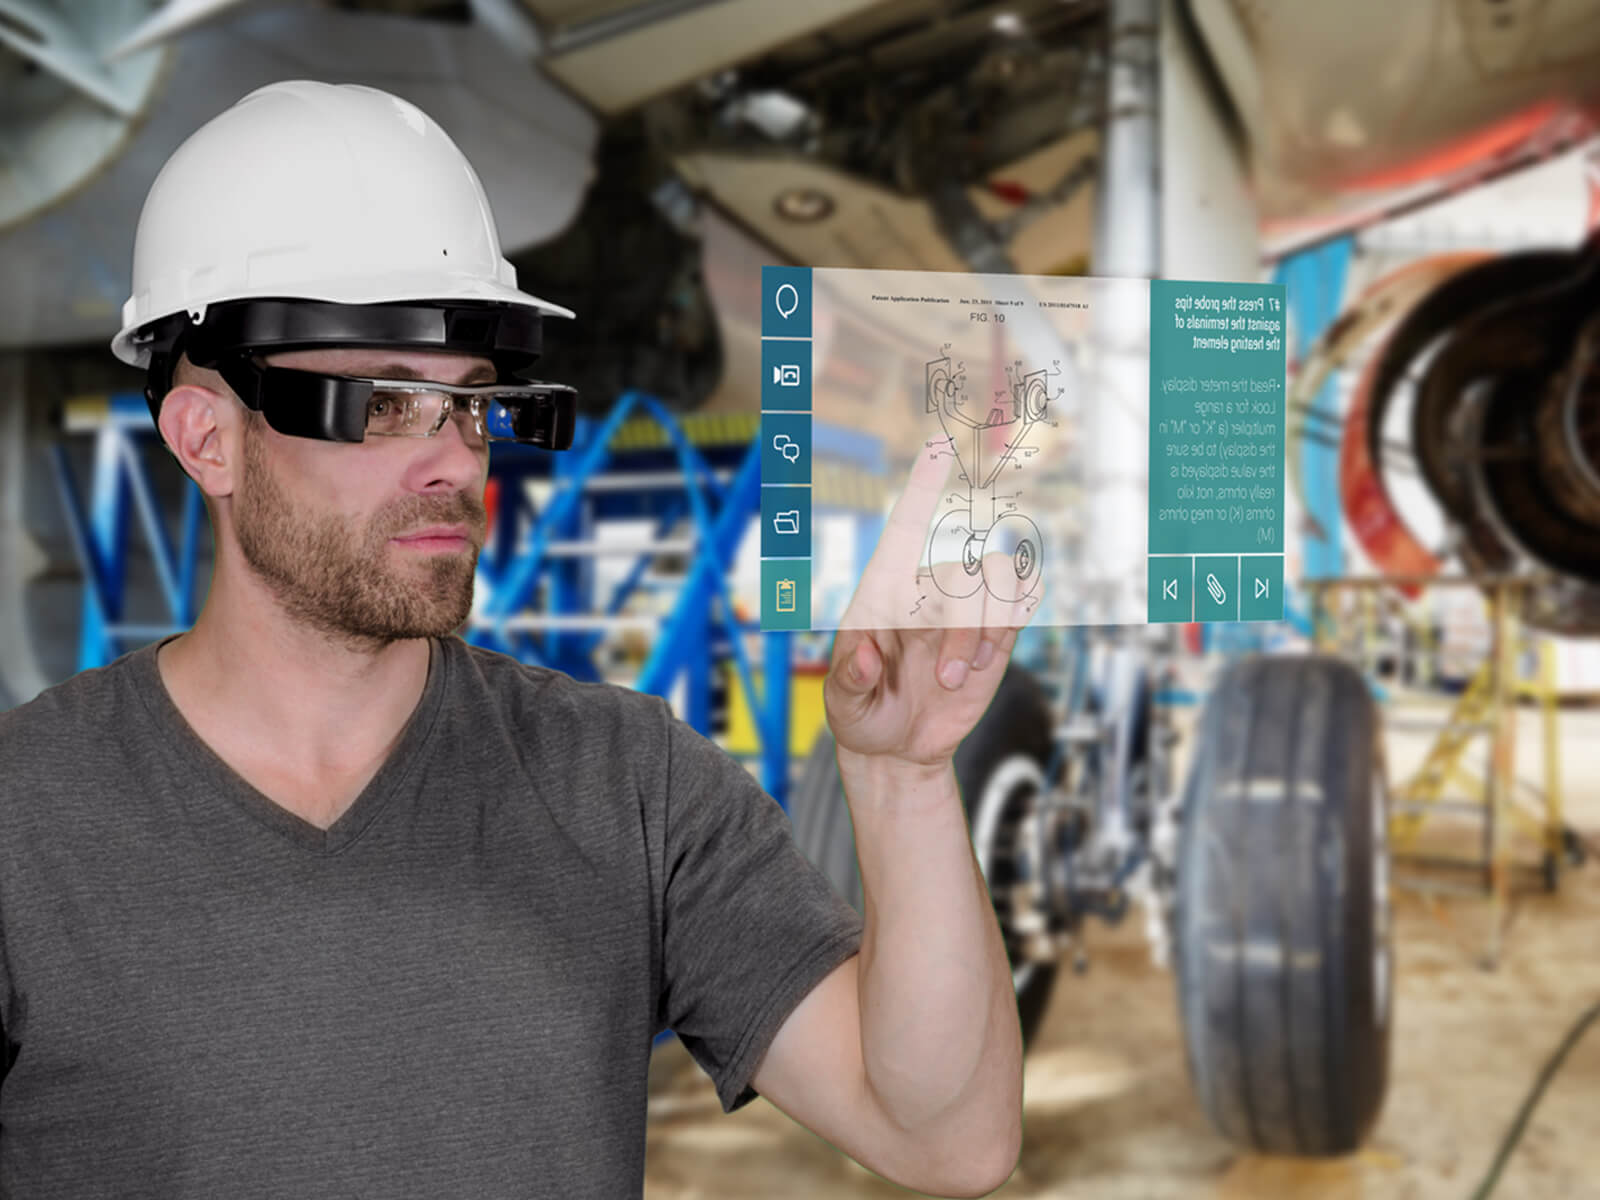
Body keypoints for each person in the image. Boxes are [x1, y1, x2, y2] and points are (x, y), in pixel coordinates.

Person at [0, 81, 1029, 1198]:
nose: (452, 460)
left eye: (471, 404)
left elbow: (945, 1139)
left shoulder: (627, 784)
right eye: (381, 404)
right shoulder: (24, 818)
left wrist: (901, 781)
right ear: (208, 438)